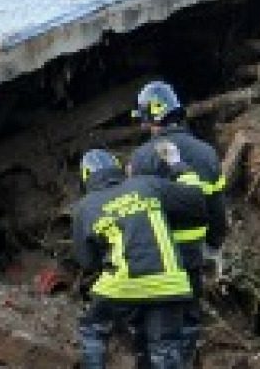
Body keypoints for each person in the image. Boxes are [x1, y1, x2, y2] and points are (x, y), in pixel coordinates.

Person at [72, 149, 206, 369]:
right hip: (169, 284)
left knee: (93, 329)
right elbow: (196, 202)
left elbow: (87, 261)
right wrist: (179, 166)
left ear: (86, 176)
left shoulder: (85, 207)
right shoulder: (147, 185)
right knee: (165, 349)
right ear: (118, 167)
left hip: (123, 285)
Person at [128, 80, 227, 363]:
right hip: (192, 256)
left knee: (152, 331)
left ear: (151, 117)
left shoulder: (141, 158)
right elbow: (217, 209)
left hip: (154, 260)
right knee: (188, 325)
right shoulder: (206, 153)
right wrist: (215, 244)